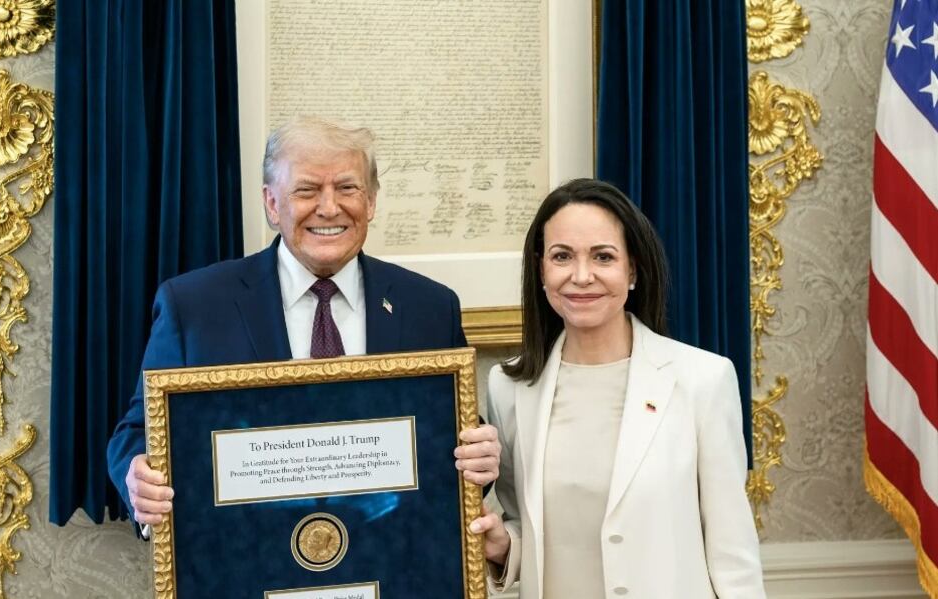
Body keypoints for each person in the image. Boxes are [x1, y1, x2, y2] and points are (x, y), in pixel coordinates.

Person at [106, 116, 500, 531]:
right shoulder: (194, 307)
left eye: (347, 188)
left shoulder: (430, 307)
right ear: (273, 204)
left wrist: (481, 457)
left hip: (391, 557)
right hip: (246, 559)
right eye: (307, 190)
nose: (329, 208)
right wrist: (138, 477)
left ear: (371, 201)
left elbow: (453, 435)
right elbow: (138, 431)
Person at [468, 179, 764, 598]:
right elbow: (527, 523)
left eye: (603, 257)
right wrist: (504, 546)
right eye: (562, 257)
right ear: (540, 271)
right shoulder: (509, 387)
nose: (581, 275)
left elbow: (732, 550)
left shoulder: (703, 380)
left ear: (633, 271)